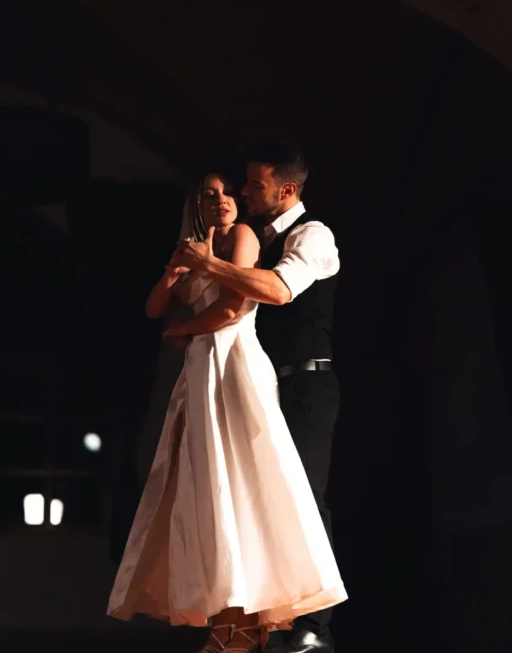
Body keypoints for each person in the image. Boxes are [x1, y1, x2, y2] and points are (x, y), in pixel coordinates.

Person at [107, 167, 347, 653]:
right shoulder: (200, 246)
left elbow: (237, 307)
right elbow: (154, 306)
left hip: (234, 361)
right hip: (200, 371)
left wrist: (184, 328)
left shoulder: (250, 236)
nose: (223, 200)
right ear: (195, 205)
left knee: (251, 481)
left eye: (231, 192)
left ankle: (279, 619)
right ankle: (228, 614)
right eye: (209, 195)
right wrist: (175, 273)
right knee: (208, 486)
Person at [177, 144, 341, 653]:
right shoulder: (253, 238)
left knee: (302, 495)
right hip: (259, 384)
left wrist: (210, 265)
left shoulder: (312, 235)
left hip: (305, 384)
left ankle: (313, 626)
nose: (245, 193)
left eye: (255, 185)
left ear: (286, 189)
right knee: (256, 495)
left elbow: (277, 290)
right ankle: (260, 619)